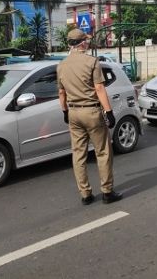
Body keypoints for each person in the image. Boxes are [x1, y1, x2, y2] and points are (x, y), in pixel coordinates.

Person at [57, 28, 122, 205]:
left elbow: (61, 93)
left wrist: (65, 112)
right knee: (103, 152)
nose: (87, 42)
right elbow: (99, 89)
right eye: (85, 40)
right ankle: (107, 192)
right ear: (82, 43)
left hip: (73, 113)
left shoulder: (61, 65)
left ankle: (85, 194)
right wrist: (109, 112)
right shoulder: (92, 61)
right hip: (92, 112)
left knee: (78, 155)